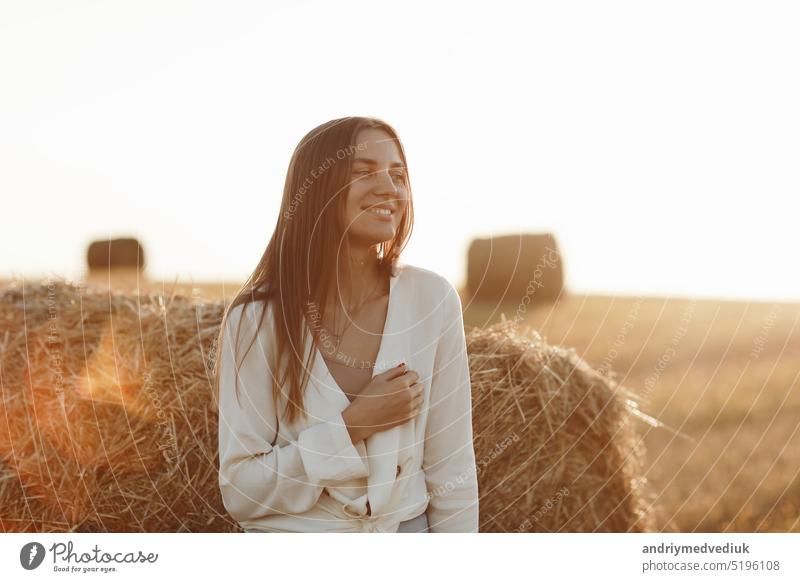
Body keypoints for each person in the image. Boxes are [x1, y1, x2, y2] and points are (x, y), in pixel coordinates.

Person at [213, 116, 479, 533]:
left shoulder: (433, 301)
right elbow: (242, 492)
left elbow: (453, 473)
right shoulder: (256, 319)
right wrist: (354, 426)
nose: (389, 188)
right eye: (364, 172)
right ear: (317, 187)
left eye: (398, 175)